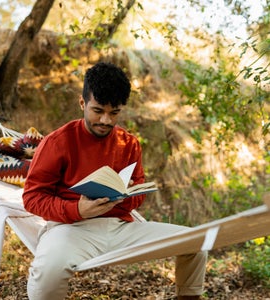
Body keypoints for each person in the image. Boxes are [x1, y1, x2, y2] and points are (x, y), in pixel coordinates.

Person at [23, 61, 207, 300]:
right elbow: (32, 198)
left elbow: (137, 194)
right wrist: (77, 209)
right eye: (98, 111)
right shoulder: (58, 142)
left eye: (115, 112)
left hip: (120, 228)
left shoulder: (129, 143)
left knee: (196, 242)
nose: (106, 121)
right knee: (47, 273)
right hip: (70, 229)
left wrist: (127, 196)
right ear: (82, 103)